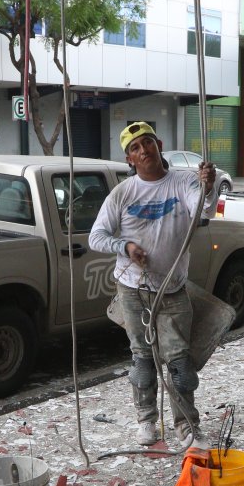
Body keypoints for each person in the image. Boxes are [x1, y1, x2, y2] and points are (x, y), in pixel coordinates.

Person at [89, 122, 216, 447]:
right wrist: (126, 247)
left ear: (158, 144)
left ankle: (186, 426)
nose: (143, 150)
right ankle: (146, 421)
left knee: (180, 364)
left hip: (172, 289)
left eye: (147, 142)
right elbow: (97, 237)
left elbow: (202, 210)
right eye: (135, 147)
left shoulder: (184, 181)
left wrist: (208, 186)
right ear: (130, 159)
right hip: (132, 288)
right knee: (142, 359)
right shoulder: (123, 193)